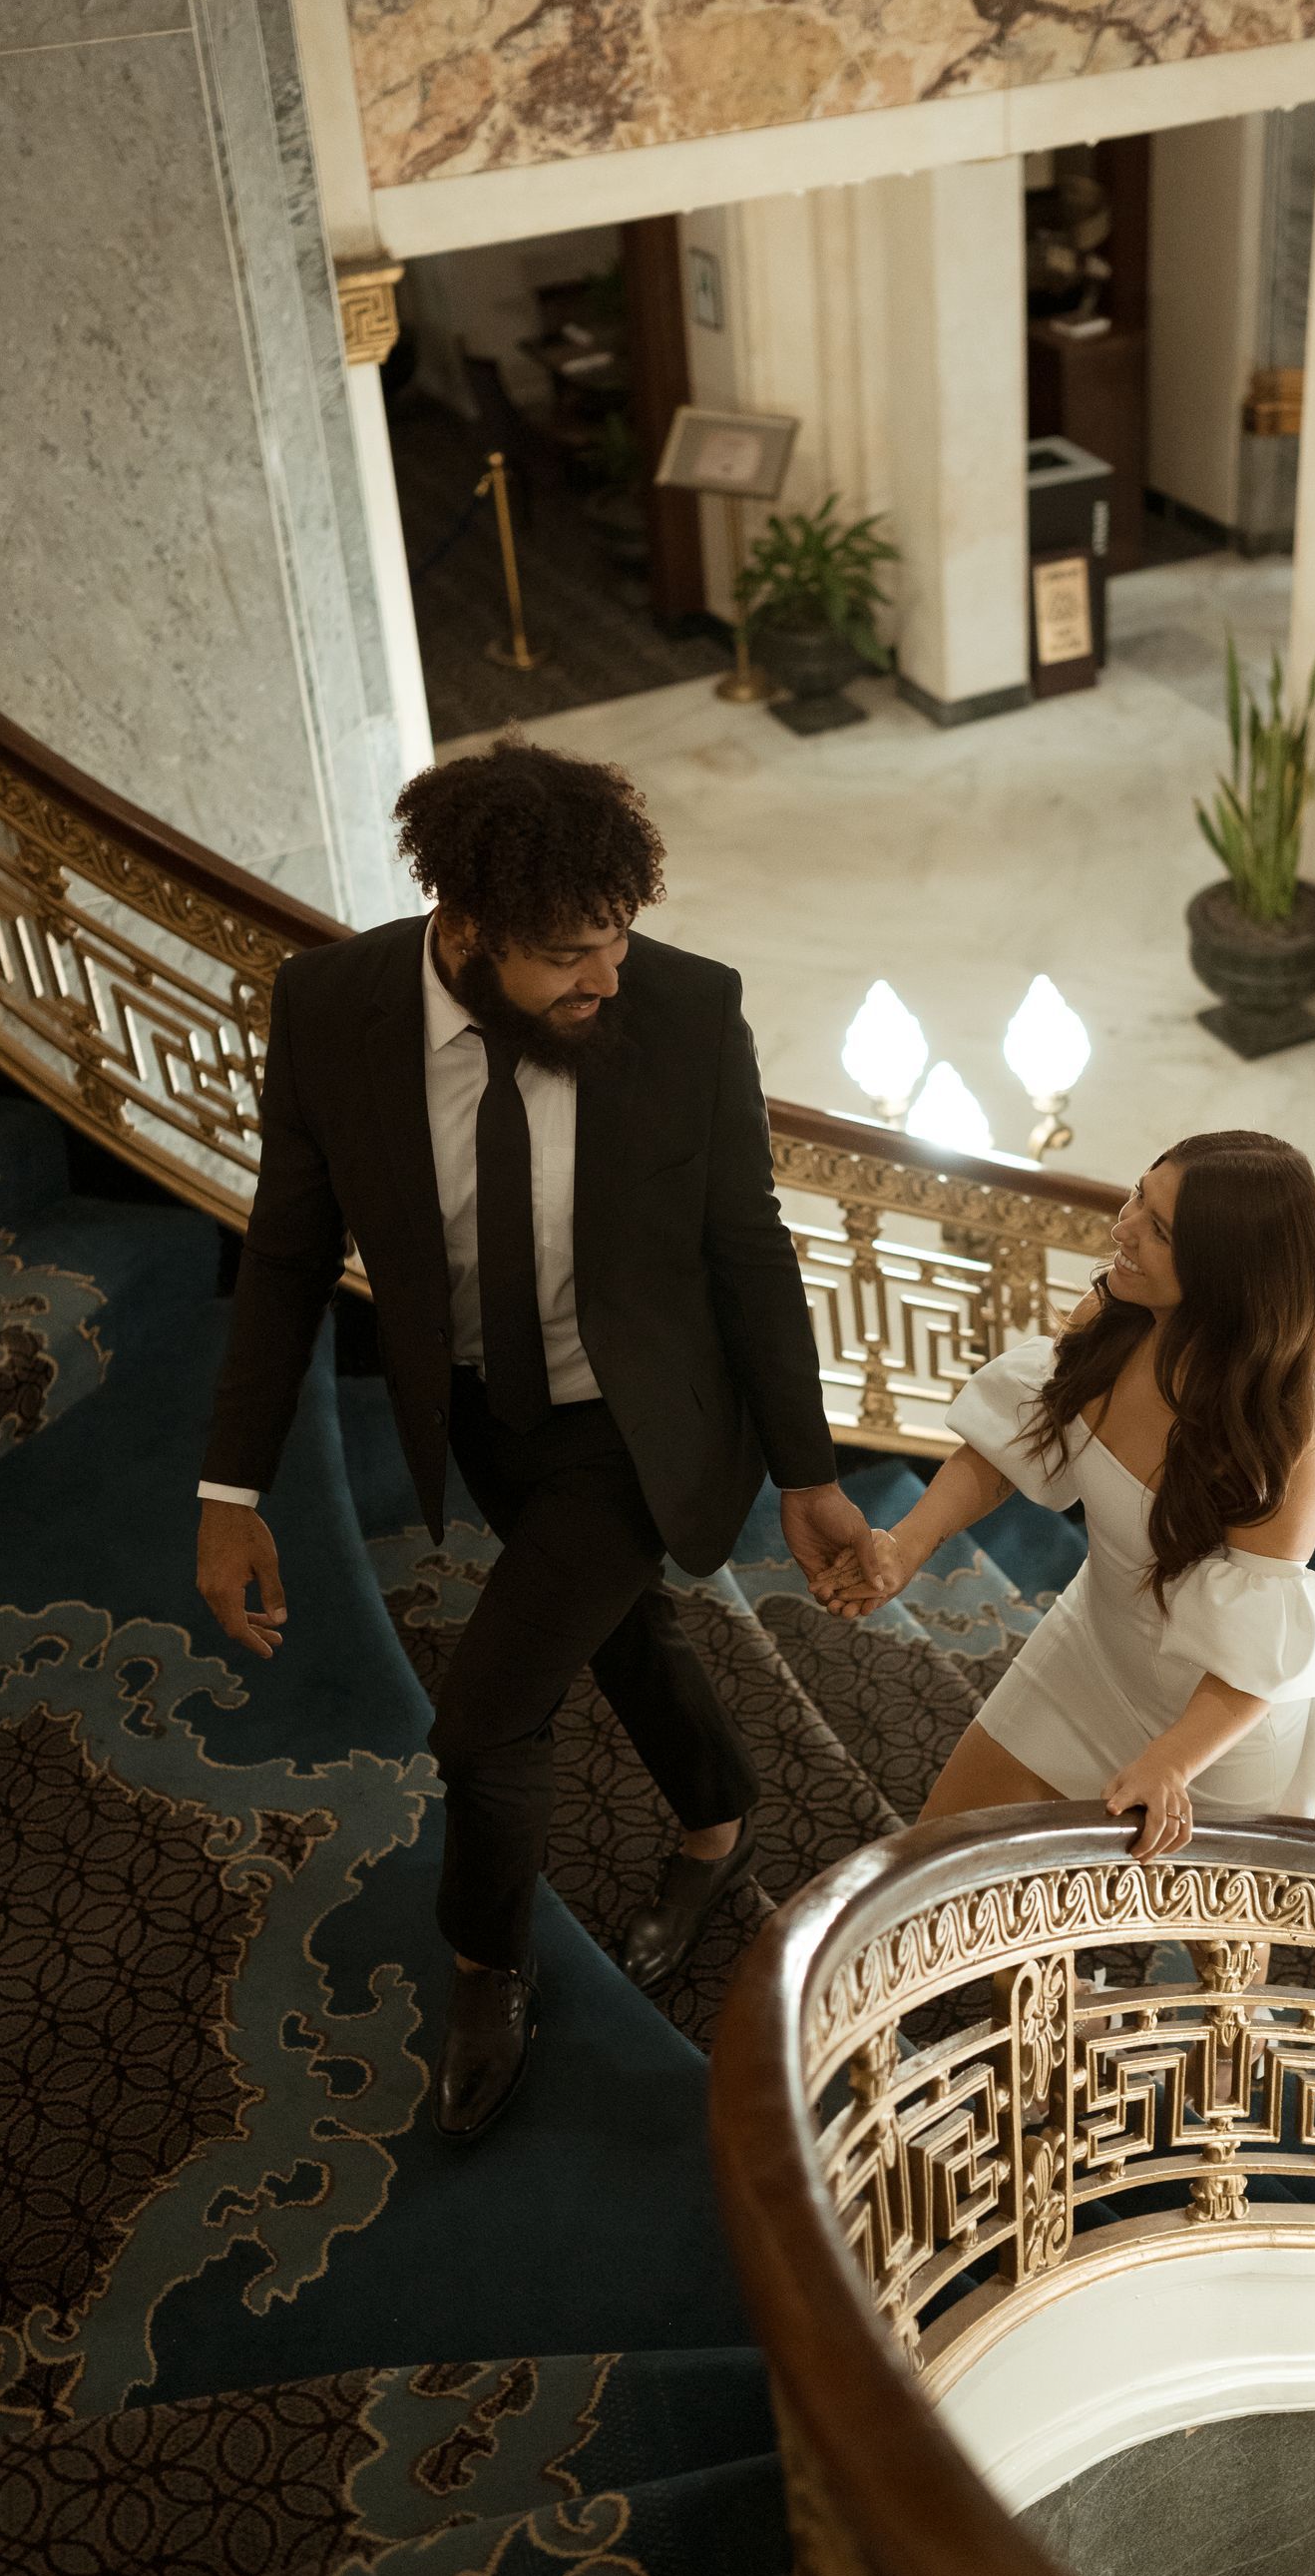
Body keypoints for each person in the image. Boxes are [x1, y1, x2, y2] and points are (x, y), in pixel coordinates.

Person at [195, 738, 883, 2138]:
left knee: (486, 1717)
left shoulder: (688, 1009)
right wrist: (231, 1485)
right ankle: (717, 1814)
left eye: (618, 938)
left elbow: (750, 1249)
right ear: (464, 928)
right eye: (571, 953)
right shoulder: (329, 1006)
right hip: (480, 1411)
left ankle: (485, 1968)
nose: (608, 977)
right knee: (613, 1626)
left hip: (640, 1423)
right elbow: (286, 1255)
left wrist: (808, 1472)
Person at [818, 1131, 1315, 1856]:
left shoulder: (1277, 1432)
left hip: (1210, 1731)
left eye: (1160, 1231)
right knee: (938, 1855)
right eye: (1138, 1196)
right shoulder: (1112, 1318)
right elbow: (1015, 1441)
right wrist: (908, 1543)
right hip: (1089, 1651)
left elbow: (1260, 1652)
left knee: (1172, 1927)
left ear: (1225, 1271)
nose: (1123, 1230)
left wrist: (1171, 1761)